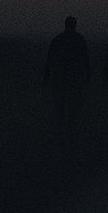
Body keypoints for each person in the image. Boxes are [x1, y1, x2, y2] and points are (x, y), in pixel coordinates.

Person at [43, 15, 90, 143]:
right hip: (75, 77)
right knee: (73, 106)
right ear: (75, 25)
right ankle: (71, 133)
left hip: (59, 77)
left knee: (60, 106)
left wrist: (46, 79)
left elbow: (49, 60)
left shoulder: (58, 39)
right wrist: (88, 76)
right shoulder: (80, 40)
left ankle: (61, 132)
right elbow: (86, 59)